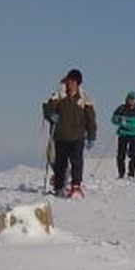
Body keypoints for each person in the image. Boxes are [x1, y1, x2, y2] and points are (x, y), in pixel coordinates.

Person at [42, 68, 97, 197]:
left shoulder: (84, 98)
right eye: (68, 81)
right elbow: (46, 108)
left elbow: (91, 118)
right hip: (60, 136)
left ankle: (76, 187)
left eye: (72, 81)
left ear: (77, 83)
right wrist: (51, 115)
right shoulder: (58, 95)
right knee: (60, 163)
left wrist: (91, 135)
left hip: (78, 137)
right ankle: (59, 187)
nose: (69, 84)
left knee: (77, 162)